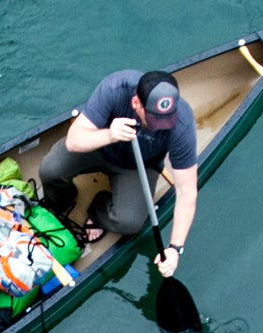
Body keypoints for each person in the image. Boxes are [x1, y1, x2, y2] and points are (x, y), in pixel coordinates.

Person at [38, 69, 197, 278]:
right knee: (50, 169)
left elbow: (187, 193)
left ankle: (98, 209)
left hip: (137, 165)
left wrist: (175, 248)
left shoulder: (181, 125)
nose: (160, 127)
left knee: (129, 222)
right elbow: (75, 140)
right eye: (153, 119)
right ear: (135, 104)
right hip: (100, 146)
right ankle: (62, 201)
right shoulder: (115, 88)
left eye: (165, 119)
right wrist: (110, 135)